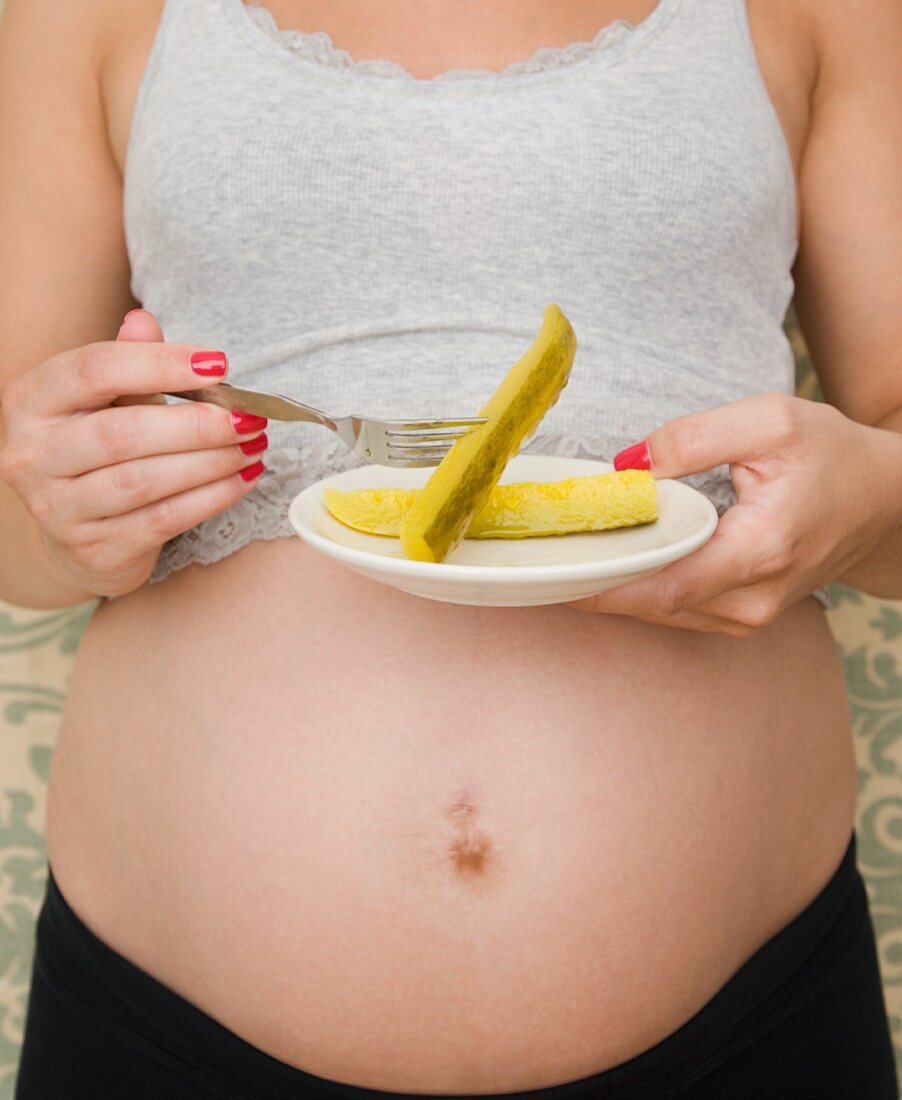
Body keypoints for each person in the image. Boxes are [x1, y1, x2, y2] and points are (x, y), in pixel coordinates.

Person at [2, 0, 900, 1095]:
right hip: (164, 1020)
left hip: (753, 1014)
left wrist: (875, 497)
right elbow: (14, 518)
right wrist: (57, 515)